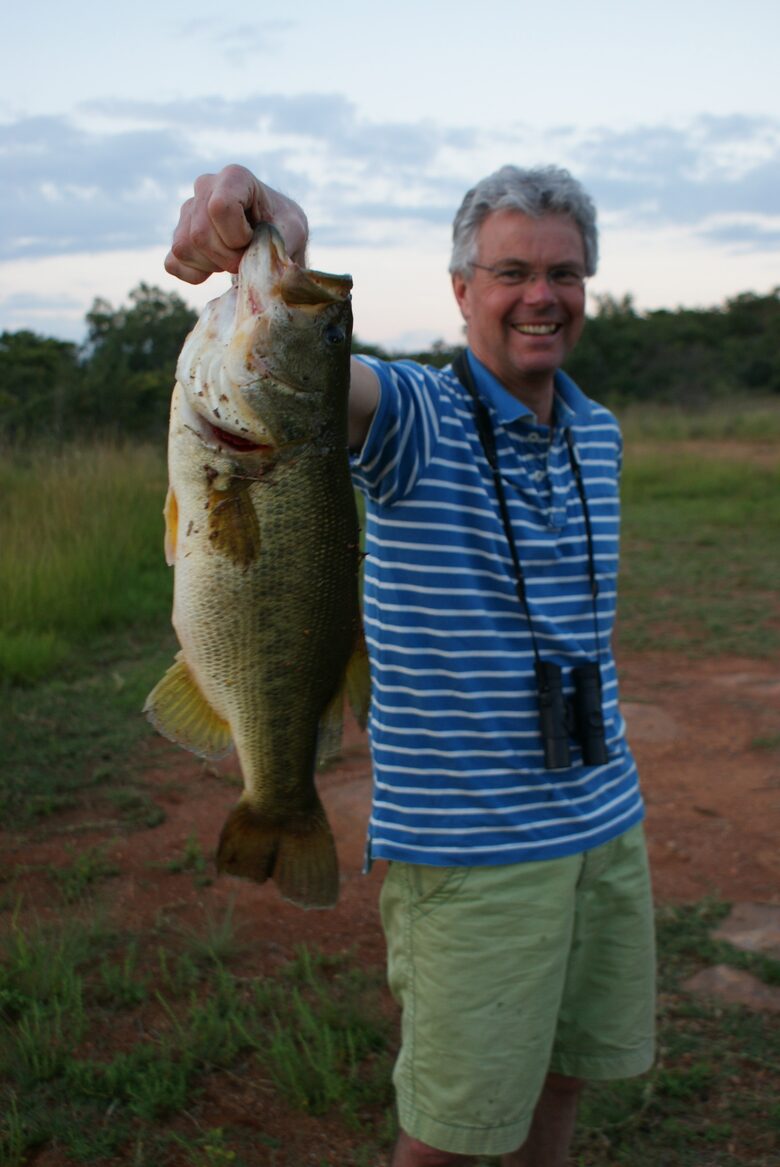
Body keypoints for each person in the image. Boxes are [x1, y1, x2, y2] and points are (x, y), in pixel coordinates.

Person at [166, 163, 656, 1167]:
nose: (540, 297)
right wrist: (276, 231)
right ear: (461, 289)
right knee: (450, 1134)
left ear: (587, 290)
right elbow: (312, 393)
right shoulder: (418, 419)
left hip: (607, 825)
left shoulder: (597, 434)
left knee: (557, 1084)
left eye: (564, 274)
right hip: (474, 855)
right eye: (510, 270)